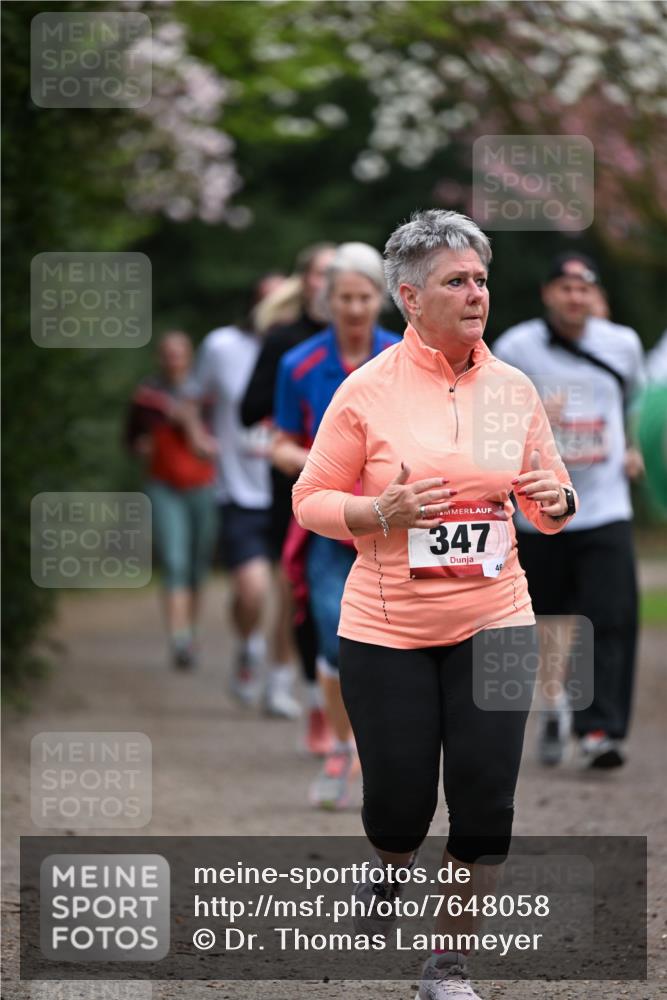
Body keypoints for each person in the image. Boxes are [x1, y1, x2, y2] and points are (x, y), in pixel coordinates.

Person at [292, 210, 577, 1000]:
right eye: (457, 281)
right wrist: (375, 514)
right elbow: (309, 498)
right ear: (411, 298)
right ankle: (387, 866)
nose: (476, 293)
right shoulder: (367, 392)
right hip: (388, 629)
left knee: (485, 802)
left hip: (495, 616)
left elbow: (545, 499)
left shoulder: (511, 389)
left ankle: (445, 965)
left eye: (481, 278)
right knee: (399, 806)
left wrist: (558, 500)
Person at [493, 252, 645, 768]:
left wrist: (633, 447)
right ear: (547, 294)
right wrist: (534, 415)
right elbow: (488, 416)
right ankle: (555, 704)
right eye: (564, 288)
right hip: (539, 507)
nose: (574, 297)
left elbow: (634, 403)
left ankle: (600, 730)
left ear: (593, 295)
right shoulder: (516, 347)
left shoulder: (620, 344)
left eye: (583, 288)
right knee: (546, 619)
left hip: (604, 505)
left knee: (611, 616)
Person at [274, 242, 400, 808]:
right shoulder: (297, 364)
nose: (354, 307)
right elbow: (278, 441)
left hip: (391, 523)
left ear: (384, 298)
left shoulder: (404, 358)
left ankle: (388, 748)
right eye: (344, 297)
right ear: (328, 301)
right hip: (327, 524)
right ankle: (341, 745)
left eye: (365, 296)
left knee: (398, 640)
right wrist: (315, 465)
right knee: (332, 634)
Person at [181, 275, 302, 718]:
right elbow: (192, 400)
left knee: (290, 591)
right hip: (238, 488)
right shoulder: (221, 347)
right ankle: (249, 645)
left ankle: (280, 680)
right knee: (251, 590)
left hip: (289, 490)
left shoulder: (301, 350)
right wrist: (199, 437)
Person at [241, 243, 337, 753]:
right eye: (322, 274)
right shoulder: (285, 344)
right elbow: (249, 410)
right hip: (296, 488)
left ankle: (340, 700)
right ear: (306, 283)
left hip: (364, 489)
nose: (331, 285)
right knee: (301, 590)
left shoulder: (380, 345)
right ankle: (306, 691)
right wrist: (296, 444)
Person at [125, 331, 217, 669]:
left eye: (179, 354)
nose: (173, 360)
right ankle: (179, 639)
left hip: (202, 486)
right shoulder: (147, 397)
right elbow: (131, 439)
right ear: (159, 358)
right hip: (164, 487)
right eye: (167, 354)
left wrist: (191, 425)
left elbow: (212, 445)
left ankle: (190, 633)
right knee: (175, 561)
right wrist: (142, 446)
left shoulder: (204, 397)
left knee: (197, 564)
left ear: (189, 357)